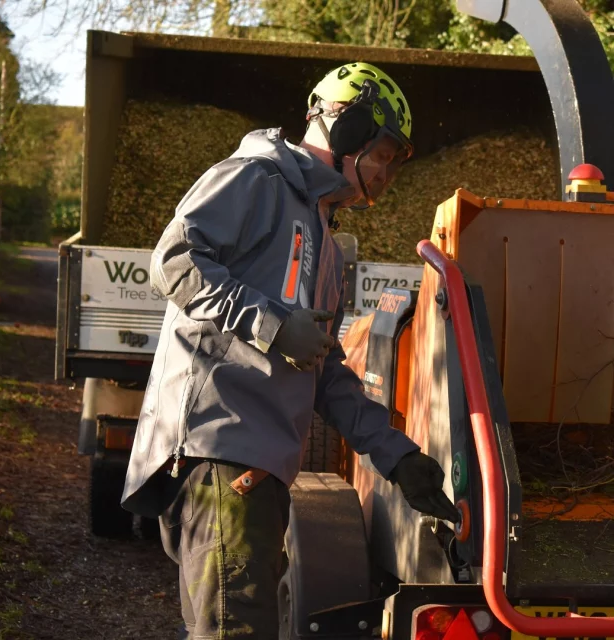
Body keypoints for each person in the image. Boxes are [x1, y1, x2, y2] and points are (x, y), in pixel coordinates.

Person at [121, 62, 459, 639]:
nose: (387, 173)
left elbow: (323, 370)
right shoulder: (256, 178)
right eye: (384, 153)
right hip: (220, 458)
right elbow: (173, 261)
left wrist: (395, 455)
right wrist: (271, 324)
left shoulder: (325, 237)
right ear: (347, 130)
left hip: (259, 472)